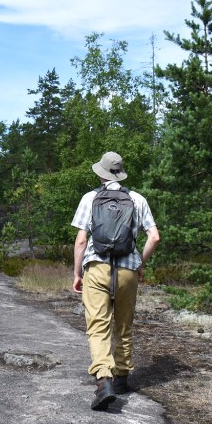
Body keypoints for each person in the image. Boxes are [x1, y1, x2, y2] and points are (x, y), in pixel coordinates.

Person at [71, 151, 160, 410]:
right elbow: (154, 237)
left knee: (98, 327)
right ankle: (121, 377)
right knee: (123, 324)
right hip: (127, 271)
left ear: (100, 173)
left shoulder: (90, 198)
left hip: (96, 267)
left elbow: (80, 240)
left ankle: (104, 381)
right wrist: (139, 264)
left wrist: (77, 273)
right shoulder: (137, 199)